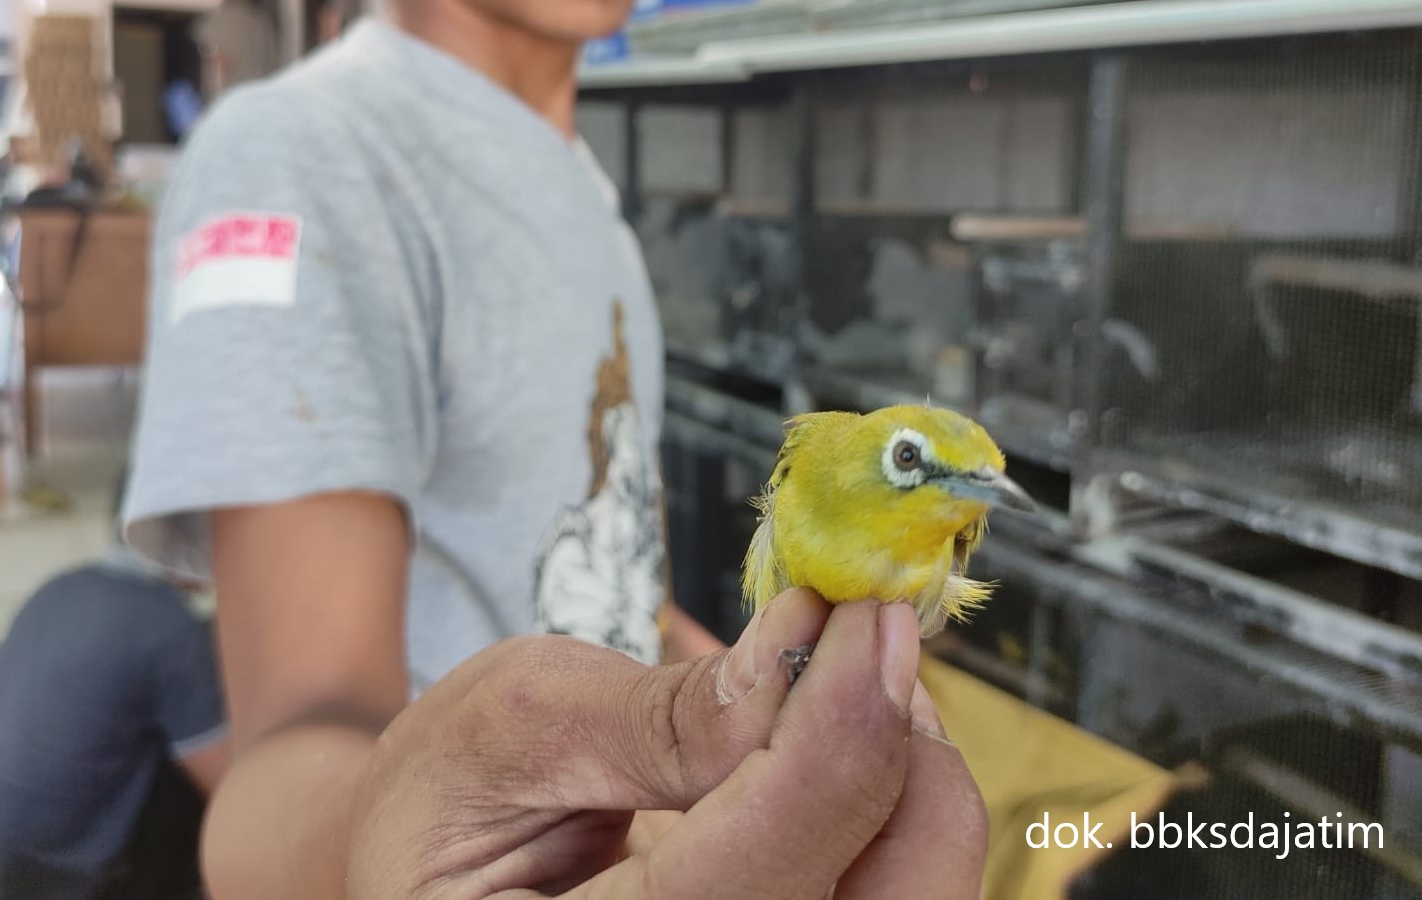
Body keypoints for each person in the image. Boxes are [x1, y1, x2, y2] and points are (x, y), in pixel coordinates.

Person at [123, 1, 989, 898]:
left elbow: (618, 597)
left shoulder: (581, 192)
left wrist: (747, 695)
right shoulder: (299, 155)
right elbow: (271, 789)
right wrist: (416, 847)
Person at [0, 501, 230, 900]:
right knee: (206, 772)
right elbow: (232, 784)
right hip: (59, 877)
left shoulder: (62, 587)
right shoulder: (169, 629)